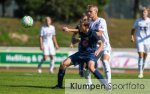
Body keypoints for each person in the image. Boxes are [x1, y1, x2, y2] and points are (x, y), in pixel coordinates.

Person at [52, 15, 107, 89]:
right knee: (63, 64)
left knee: (91, 67)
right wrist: (68, 30)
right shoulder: (82, 31)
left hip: (90, 54)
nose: (79, 27)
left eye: (81, 26)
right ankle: (59, 85)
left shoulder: (93, 34)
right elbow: (77, 31)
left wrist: (98, 50)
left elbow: (101, 43)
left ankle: (106, 84)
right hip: (80, 54)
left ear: (86, 27)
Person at [131, 7, 150, 78]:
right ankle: (140, 73)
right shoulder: (138, 21)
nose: (143, 13)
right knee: (140, 55)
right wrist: (132, 36)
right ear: (141, 13)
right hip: (139, 40)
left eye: (145, 12)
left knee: (145, 56)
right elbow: (133, 29)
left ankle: (142, 69)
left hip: (148, 41)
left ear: (147, 13)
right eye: (142, 12)